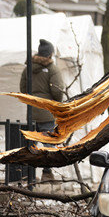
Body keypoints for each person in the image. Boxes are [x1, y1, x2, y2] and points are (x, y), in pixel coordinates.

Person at [20, 39, 64, 181]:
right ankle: (47, 173)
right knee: (48, 144)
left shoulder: (28, 68)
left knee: (30, 144)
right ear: (50, 53)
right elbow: (57, 91)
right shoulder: (52, 69)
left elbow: (22, 87)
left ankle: (28, 174)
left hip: (31, 112)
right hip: (46, 113)